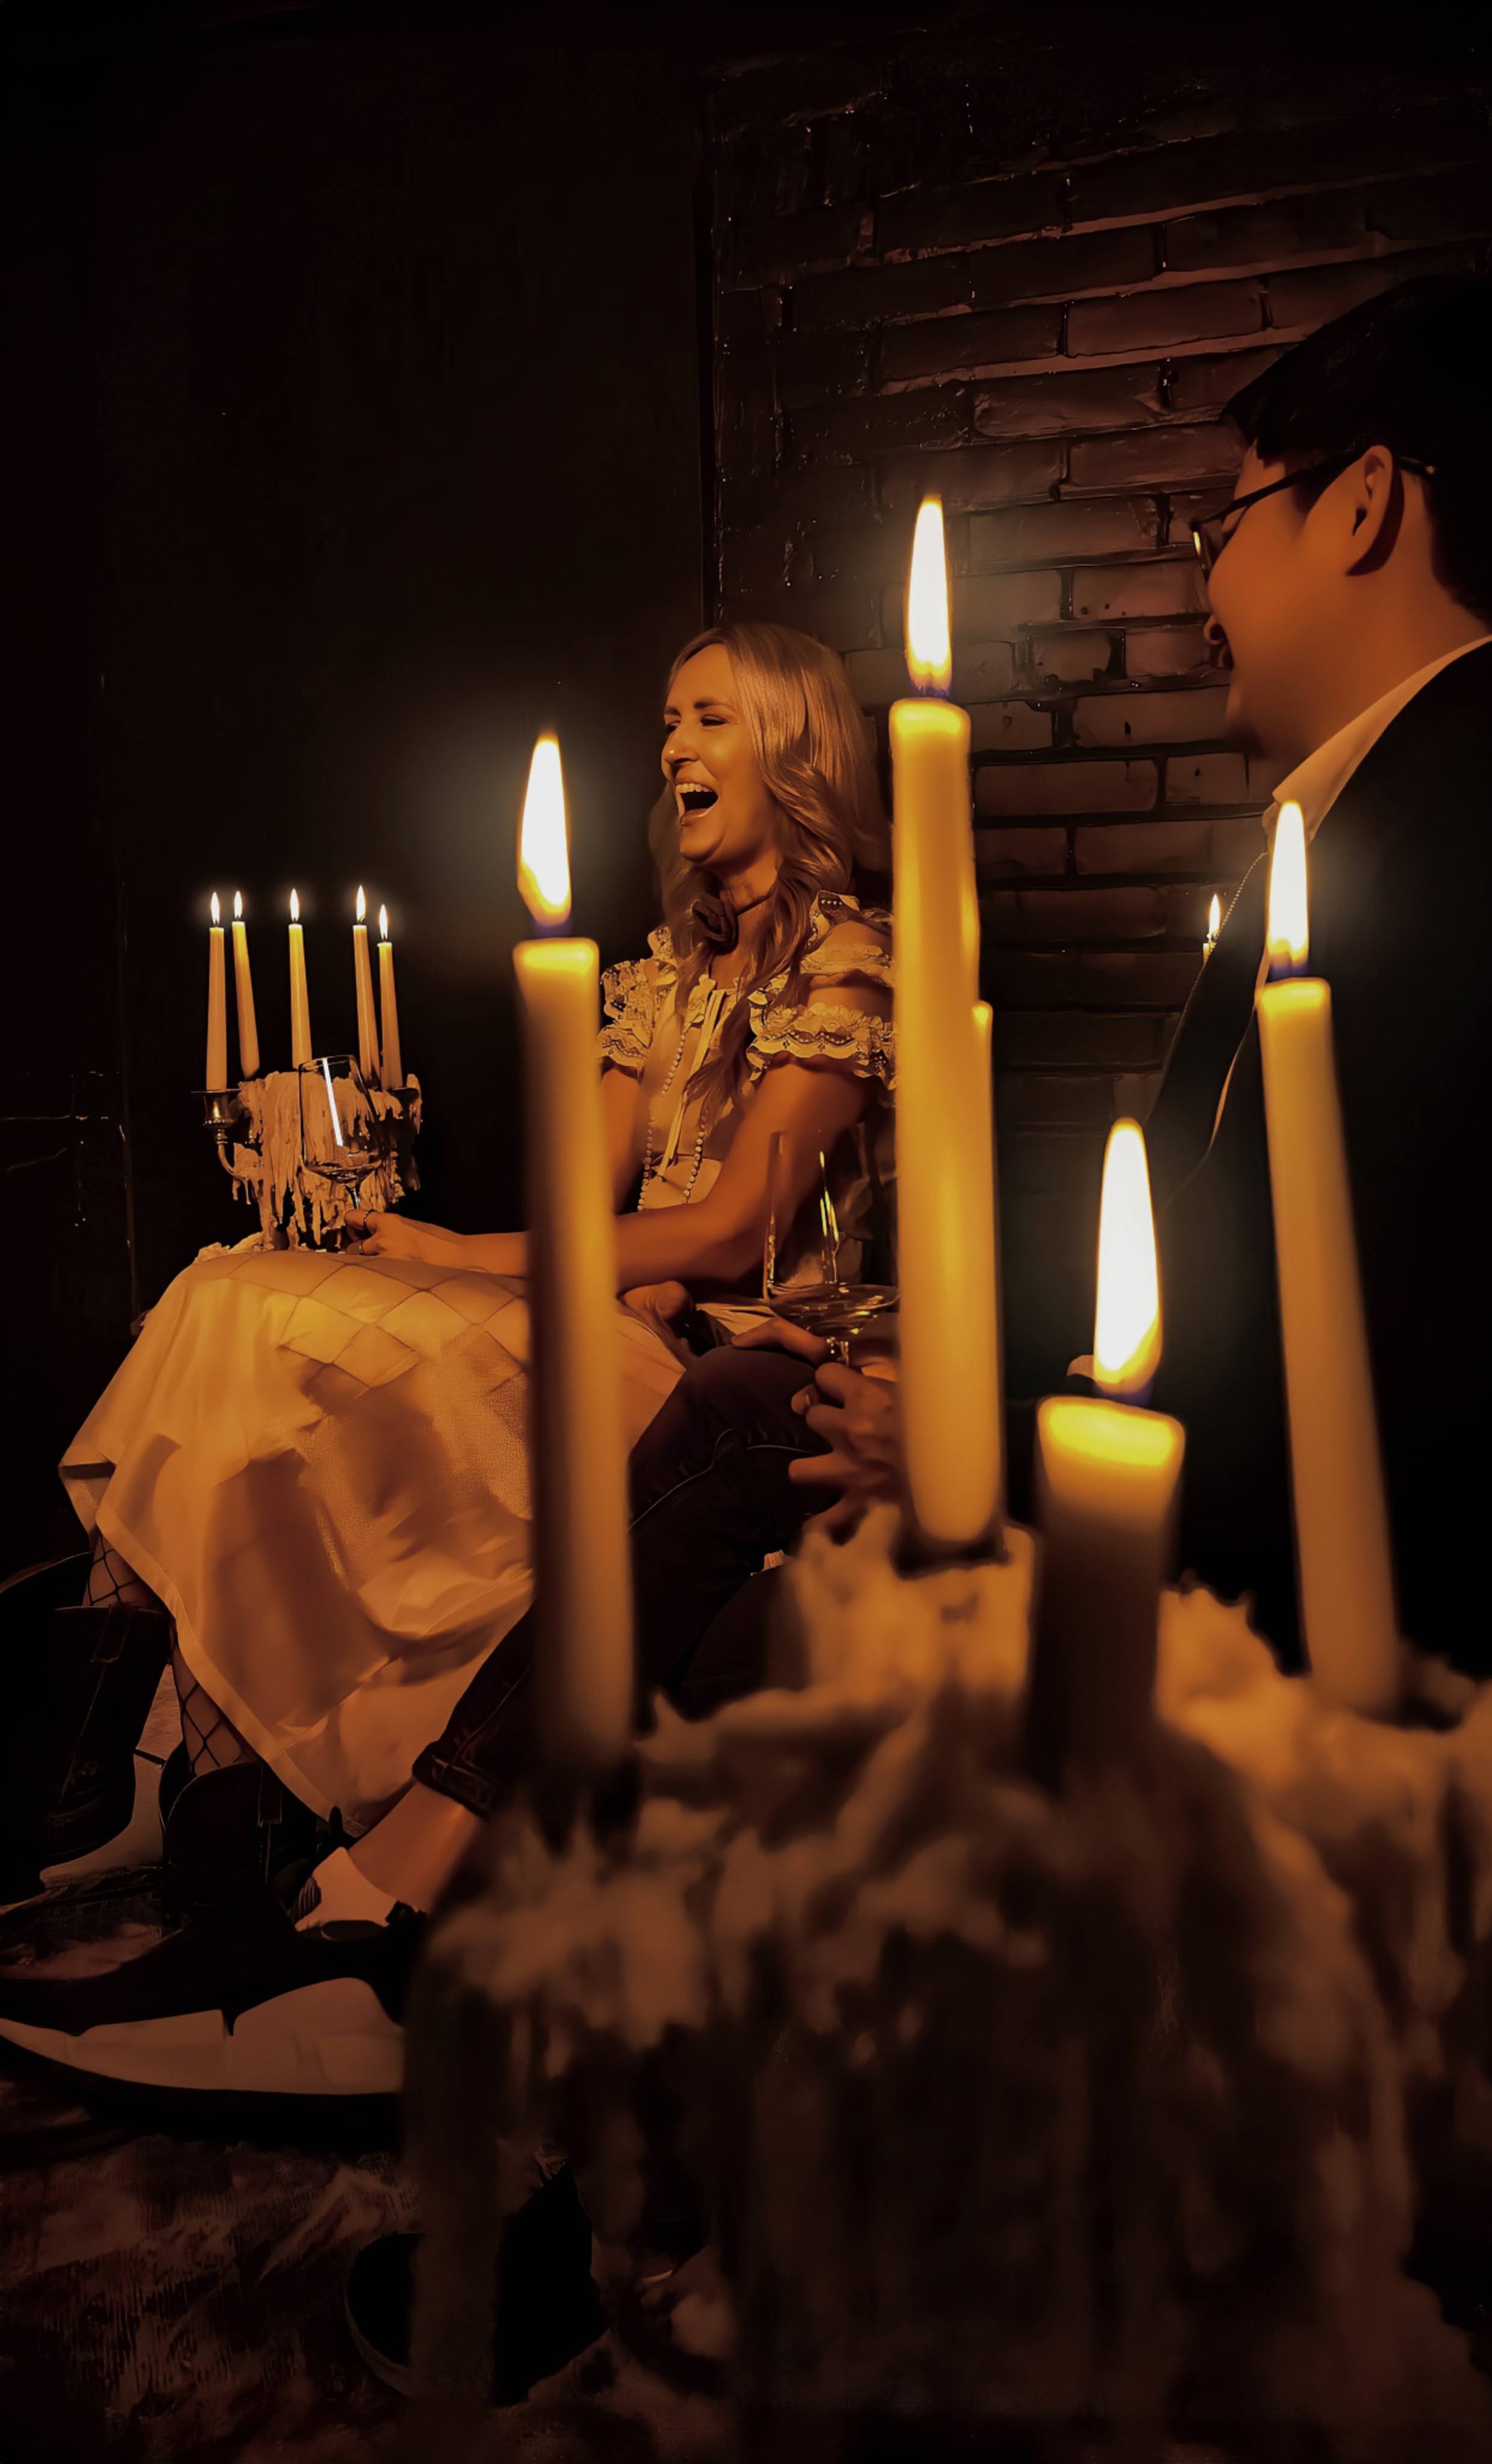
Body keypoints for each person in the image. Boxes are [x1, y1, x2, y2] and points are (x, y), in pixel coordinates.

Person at [0, 620, 895, 2084]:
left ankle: (181, 1788)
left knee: (333, 1299)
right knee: (245, 1284)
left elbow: (734, 1234)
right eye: (666, 718)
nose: (672, 744)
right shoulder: (660, 973)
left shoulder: (854, 954)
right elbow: (585, 1209)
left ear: (793, 747)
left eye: (712, 719)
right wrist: (398, 1211)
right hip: (625, 1322)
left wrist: (461, 1256)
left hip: (742, 1368)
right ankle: (161, 1765)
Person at [1142, 273, 1492, 1968]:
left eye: (1219, 520)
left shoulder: (1489, 842)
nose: (1199, 579)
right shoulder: (1449, 793)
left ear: (1360, 501)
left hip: (1410, 1780)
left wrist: (1017, 1464)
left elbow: (1389, 1360)